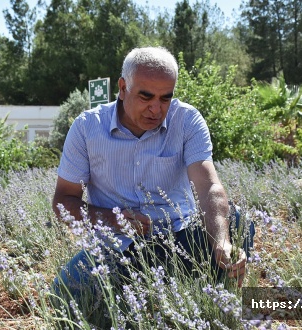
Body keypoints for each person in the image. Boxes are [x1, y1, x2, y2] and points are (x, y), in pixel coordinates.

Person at [51, 46, 253, 313]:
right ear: (123, 88)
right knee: (62, 298)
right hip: (117, 248)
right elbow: (63, 201)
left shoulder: (187, 120)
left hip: (181, 239)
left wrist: (222, 242)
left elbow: (209, 187)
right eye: (146, 97)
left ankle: (212, 307)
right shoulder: (87, 128)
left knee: (235, 223)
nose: (156, 109)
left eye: (165, 98)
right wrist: (115, 219)